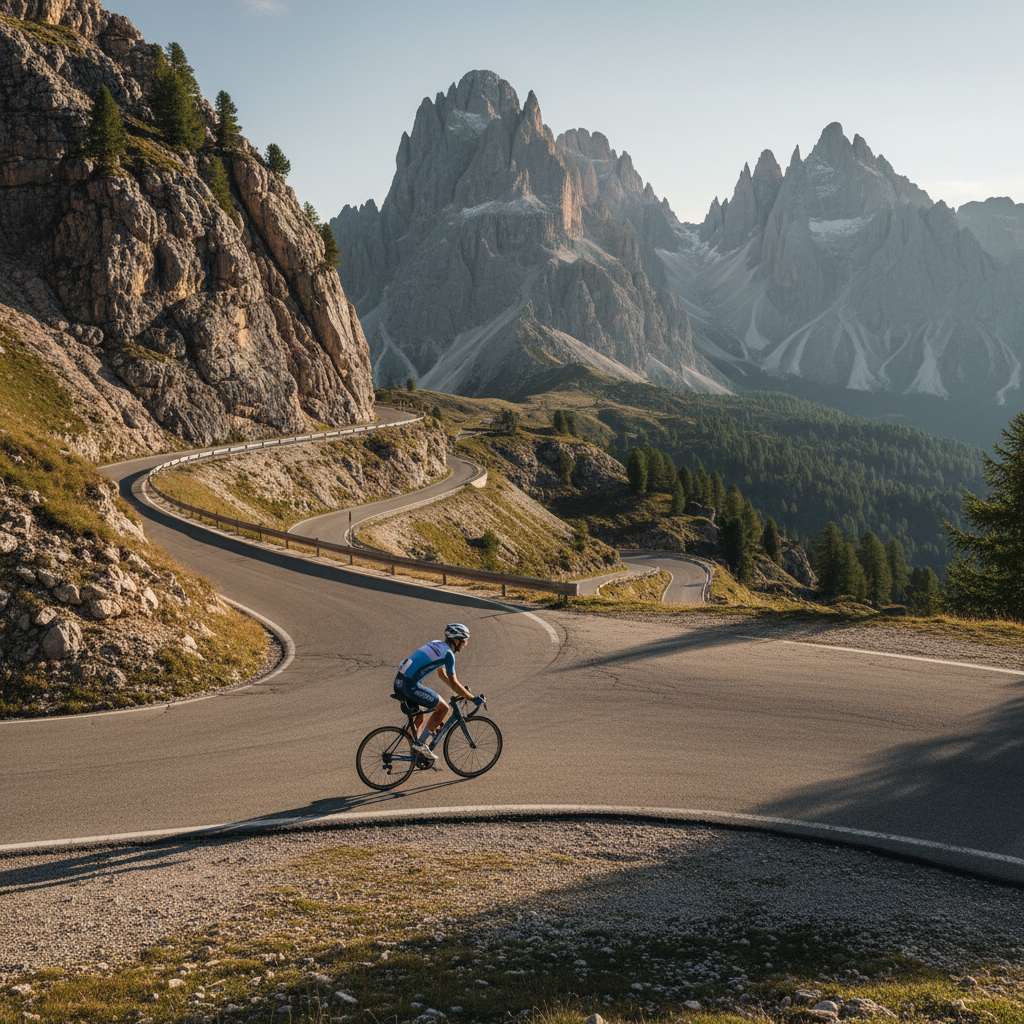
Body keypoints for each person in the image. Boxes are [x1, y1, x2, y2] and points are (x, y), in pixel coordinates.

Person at [394, 623, 475, 763]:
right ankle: (420, 745)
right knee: (443, 708)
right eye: (464, 640)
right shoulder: (449, 654)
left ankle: (414, 752)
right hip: (409, 685)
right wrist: (471, 698)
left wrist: (460, 690)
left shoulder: (437, 643)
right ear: (456, 640)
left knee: (419, 718)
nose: (465, 644)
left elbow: (441, 674)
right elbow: (454, 682)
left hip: (399, 681)